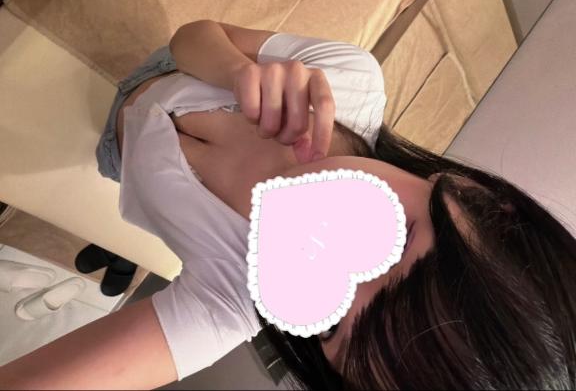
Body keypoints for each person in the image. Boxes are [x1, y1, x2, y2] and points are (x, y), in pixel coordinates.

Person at [1, 20, 575, 390]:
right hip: (160, 71)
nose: (320, 258)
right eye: (392, 240)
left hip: (116, 155)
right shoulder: (348, 82)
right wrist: (239, 73)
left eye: (333, 325)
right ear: (472, 196)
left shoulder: (227, 304)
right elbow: (192, 36)